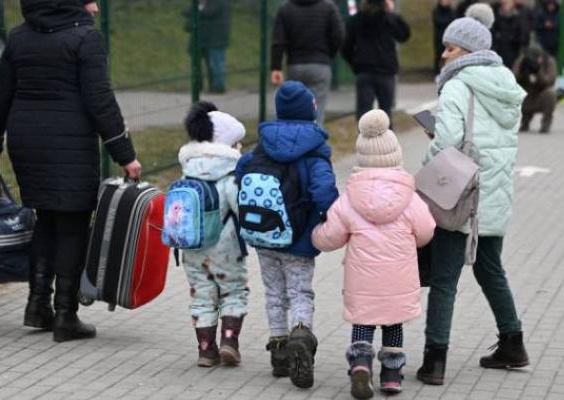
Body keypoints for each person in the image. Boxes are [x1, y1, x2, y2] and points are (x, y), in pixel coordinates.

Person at [0, 0, 142, 343]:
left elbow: (1, 95)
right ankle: (66, 314)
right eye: (89, 0)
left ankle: (37, 305)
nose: (95, 8)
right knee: (72, 224)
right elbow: (100, 100)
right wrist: (125, 155)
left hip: (27, 141)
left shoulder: (20, 37)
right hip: (70, 141)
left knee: (46, 218)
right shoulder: (85, 39)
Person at [417, 3, 530, 386]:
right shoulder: (506, 87)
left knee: (445, 278)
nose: (443, 53)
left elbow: (449, 142)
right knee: (489, 267)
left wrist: (431, 155)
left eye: (450, 48)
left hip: (460, 196)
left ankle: (434, 361)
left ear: (466, 51)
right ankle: (512, 343)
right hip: (494, 193)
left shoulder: (457, 84)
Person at [312, 110, 435, 399]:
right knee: (393, 324)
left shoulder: (350, 198)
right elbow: (427, 230)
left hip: (362, 281)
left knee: (363, 322)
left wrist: (314, 234)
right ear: (396, 154)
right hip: (399, 279)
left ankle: (360, 366)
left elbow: (330, 237)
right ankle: (391, 376)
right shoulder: (410, 197)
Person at [236, 81, 339, 389]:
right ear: (312, 111)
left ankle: (279, 354)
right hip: (299, 240)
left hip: (264, 237)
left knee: (273, 294)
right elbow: (324, 193)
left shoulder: (262, 145)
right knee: (299, 293)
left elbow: (241, 172)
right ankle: (301, 335)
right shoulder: (315, 152)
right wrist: (328, 218)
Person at [177, 102, 249, 367]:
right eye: (236, 143)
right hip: (226, 246)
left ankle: (206, 349)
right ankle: (230, 341)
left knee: (202, 294)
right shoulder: (230, 175)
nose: (239, 148)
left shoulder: (187, 171)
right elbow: (240, 209)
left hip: (192, 246)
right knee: (233, 291)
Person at [271, 0, 344, 126]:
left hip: (295, 65)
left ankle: (294, 141)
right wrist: (328, 55)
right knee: (317, 112)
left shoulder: (285, 8)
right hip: (320, 64)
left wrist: (276, 67)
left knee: (294, 111)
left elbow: (278, 41)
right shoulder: (328, 7)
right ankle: (315, 142)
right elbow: (339, 36)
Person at [342, 0, 411, 122]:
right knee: (386, 112)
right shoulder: (389, 18)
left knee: (363, 112)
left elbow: (345, 47)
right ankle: (387, 139)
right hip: (386, 70)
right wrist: (393, 13)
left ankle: (364, 139)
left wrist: (356, 65)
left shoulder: (356, 20)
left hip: (364, 70)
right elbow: (404, 35)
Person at [185, 0, 232, 93]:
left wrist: (198, 8)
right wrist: (198, 8)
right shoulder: (204, 3)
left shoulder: (218, 3)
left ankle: (218, 86)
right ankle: (203, 85)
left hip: (216, 38)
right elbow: (186, 11)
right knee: (204, 63)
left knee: (216, 63)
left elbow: (209, 12)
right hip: (204, 38)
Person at [513, 45, 557, 133]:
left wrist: (538, 71)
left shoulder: (549, 61)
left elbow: (549, 82)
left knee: (550, 94)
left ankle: (546, 123)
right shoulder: (522, 60)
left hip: (539, 96)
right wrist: (522, 72)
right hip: (525, 96)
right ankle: (524, 122)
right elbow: (512, 79)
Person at [492, 0, 531, 69]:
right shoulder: (495, 16)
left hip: (512, 54)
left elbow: (523, 37)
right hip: (496, 54)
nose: (504, 5)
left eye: (507, 3)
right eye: (503, 4)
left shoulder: (519, 17)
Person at [433, 0, 456, 75]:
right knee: (440, 57)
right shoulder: (436, 11)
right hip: (440, 39)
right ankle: (438, 73)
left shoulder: (452, 11)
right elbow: (440, 21)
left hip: (451, 40)